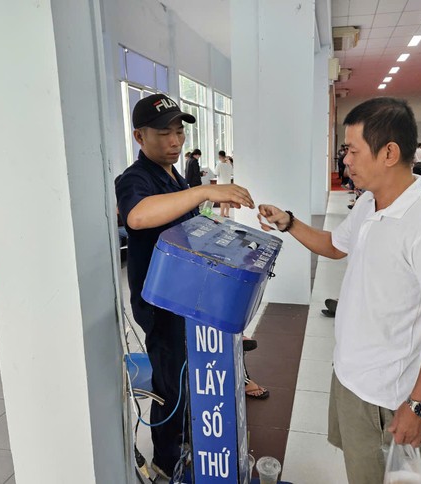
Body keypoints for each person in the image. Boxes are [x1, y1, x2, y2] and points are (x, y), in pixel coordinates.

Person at [258, 97, 421, 483]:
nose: (346, 161)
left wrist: (419, 405)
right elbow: (335, 246)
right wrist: (288, 223)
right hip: (350, 370)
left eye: (352, 150)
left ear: (389, 152)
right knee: (357, 466)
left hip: (386, 391)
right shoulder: (370, 202)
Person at [115, 93, 256, 479]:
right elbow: (139, 216)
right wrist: (203, 191)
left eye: (178, 132)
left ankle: (191, 441)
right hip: (161, 304)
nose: (175, 141)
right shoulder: (137, 178)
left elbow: (183, 225)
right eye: (164, 133)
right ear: (139, 136)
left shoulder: (174, 175)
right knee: (170, 384)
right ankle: (166, 458)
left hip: (187, 296)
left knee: (190, 377)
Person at [216, 149, 234, 217]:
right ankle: (227, 213)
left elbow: (216, 173)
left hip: (221, 185)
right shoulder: (229, 164)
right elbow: (232, 172)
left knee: (222, 200)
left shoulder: (219, 165)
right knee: (227, 199)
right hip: (228, 184)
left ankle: (221, 213)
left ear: (220, 157)